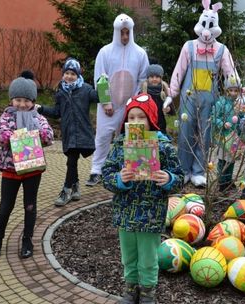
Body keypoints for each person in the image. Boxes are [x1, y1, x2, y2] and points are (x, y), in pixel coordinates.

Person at [101, 94, 184, 304]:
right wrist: (119, 179)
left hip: (151, 214)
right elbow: (106, 173)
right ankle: (130, 289)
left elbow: (179, 178)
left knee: (148, 258)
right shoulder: (120, 144)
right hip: (125, 213)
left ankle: (147, 292)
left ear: (151, 120)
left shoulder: (163, 146)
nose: (136, 122)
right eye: (132, 118)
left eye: (141, 117)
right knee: (128, 256)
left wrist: (168, 179)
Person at [170, 1, 239, 187]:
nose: (207, 31)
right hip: (188, 97)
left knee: (205, 135)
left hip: (210, 100)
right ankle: (183, 170)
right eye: (204, 25)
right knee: (185, 131)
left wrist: (237, 93)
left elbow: (230, 73)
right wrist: (172, 92)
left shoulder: (222, 50)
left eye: (211, 25)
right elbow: (179, 70)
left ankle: (199, 171)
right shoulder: (189, 46)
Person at [0, 71, 54, 260]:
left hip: (33, 170)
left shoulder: (38, 118)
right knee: (5, 206)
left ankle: (27, 240)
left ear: (33, 101)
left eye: (26, 100)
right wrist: (14, 137)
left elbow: (49, 136)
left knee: (30, 206)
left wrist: (39, 135)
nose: (22, 104)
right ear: (11, 100)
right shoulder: (6, 117)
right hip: (11, 170)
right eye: (18, 100)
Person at [87, 13, 149, 187]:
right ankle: (97, 169)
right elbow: (100, 78)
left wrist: (134, 104)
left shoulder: (140, 53)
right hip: (109, 106)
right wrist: (106, 102)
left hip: (130, 107)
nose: (125, 37)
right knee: (103, 137)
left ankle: (132, 169)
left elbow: (142, 79)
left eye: (127, 32)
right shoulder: (105, 52)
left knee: (131, 137)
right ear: (115, 32)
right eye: (121, 33)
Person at [37, 58, 99, 206]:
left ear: (78, 75)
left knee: (71, 161)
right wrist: (41, 109)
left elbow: (100, 98)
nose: (69, 76)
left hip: (82, 132)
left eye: (73, 73)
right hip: (68, 133)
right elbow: (57, 112)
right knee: (72, 162)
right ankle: (76, 187)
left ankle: (66, 190)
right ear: (63, 74)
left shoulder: (86, 89)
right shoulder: (61, 92)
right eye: (67, 73)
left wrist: (105, 84)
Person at [211, 74, 245, 193]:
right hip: (223, 137)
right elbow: (214, 117)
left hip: (234, 137)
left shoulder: (238, 104)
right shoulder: (221, 103)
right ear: (226, 90)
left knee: (231, 160)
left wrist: (241, 115)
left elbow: (241, 119)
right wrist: (223, 123)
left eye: (236, 90)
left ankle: (228, 181)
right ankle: (221, 182)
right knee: (222, 160)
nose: (234, 93)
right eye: (231, 90)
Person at [140, 64, 172, 135]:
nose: (154, 79)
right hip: (148, 122)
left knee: (161, 141)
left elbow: (171, 107)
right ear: (148, 78)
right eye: (151, 77)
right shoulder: (143, 91)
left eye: (157, 77)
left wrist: (168, 109)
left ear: (161, 78)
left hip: (161, 122)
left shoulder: (164, 90)